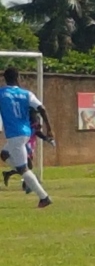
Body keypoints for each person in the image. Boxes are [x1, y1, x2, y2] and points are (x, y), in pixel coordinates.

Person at [0, 68, 53, 208]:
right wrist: (50, 129)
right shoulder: (26, 94)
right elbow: (42, 108)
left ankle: (44, 197)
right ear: (18, 78)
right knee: (4, 154)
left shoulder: (1, 93)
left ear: (5, 79)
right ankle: (28, 177)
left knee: (23, 169)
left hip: (14, 134)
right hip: (26, 132)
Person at [3, 107, 55, 193]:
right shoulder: (25, 120)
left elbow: (37, 131)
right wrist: (46, 138)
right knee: (28, 165)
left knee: (27, 166)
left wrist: (46, 138)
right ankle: (27, 185)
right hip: (24, 143)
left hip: (30, 142)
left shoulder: (34, 119)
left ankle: (11, 174)